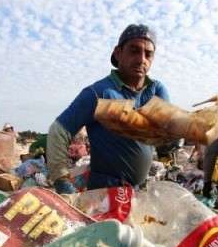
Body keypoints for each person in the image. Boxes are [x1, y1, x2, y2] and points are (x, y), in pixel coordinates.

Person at [47, 24, 169, 193]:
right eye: (134, 51)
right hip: (105, 194)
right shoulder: (100, 93)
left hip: (139, 192)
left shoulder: (154, 90)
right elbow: (58, 132)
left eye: (148, 54)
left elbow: (165, 135)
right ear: (118, 53)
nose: (142, 59)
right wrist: (61, 179)